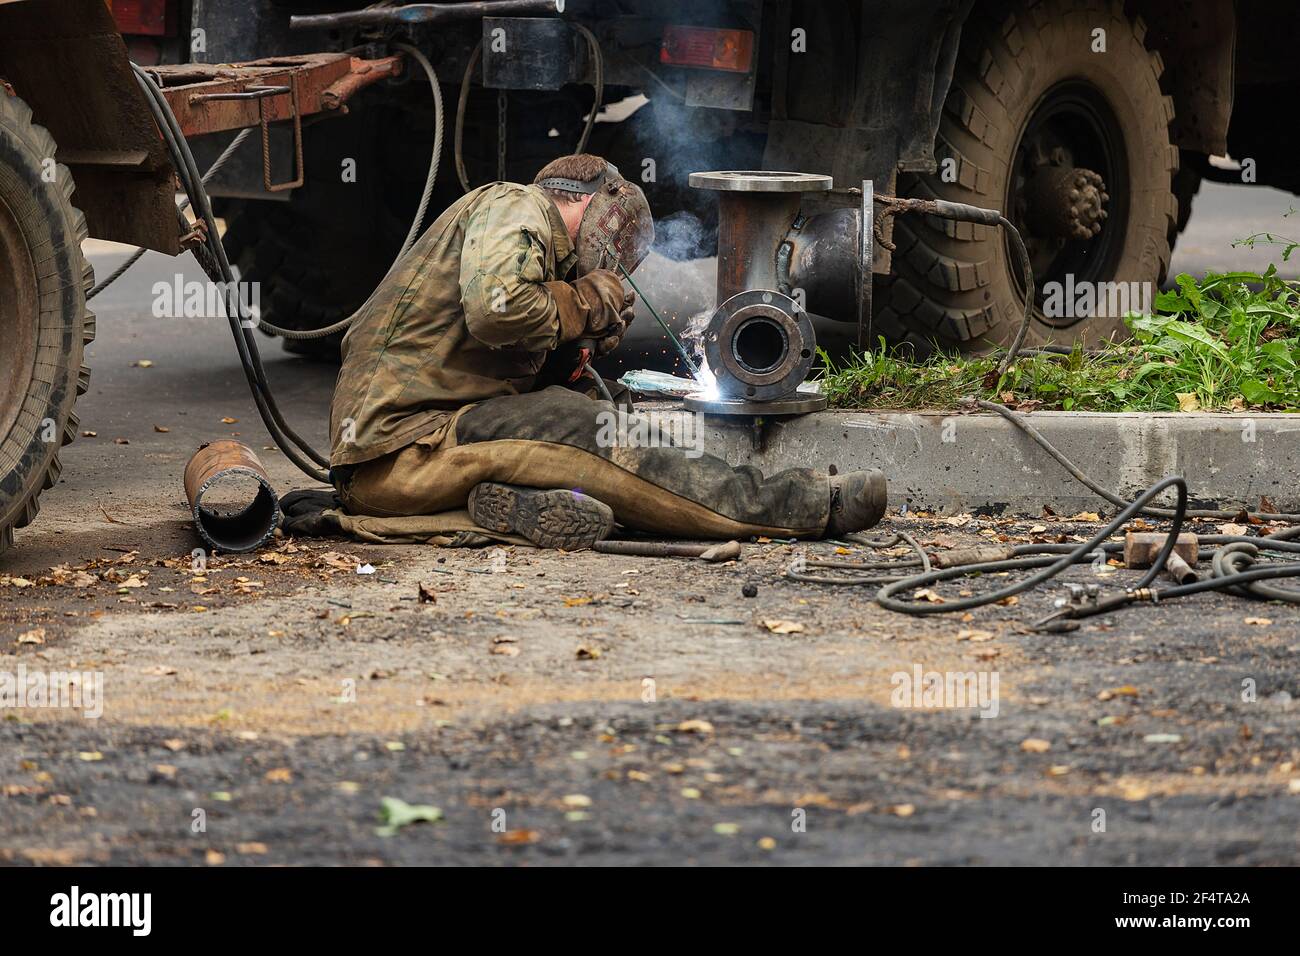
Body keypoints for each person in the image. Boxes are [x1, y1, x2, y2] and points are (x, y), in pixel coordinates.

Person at [323, 154, 886, 549]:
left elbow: (486, 352)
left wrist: (571, 352)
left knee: (592, 413)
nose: (617, 267)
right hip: (407, 449)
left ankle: (504, 510)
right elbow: (496, 309)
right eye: (623, 252)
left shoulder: (523, 245)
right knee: (596, 433)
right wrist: (586, 302)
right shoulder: (516, 204)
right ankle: (803, 505)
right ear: (604, 204)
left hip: (404, 459)